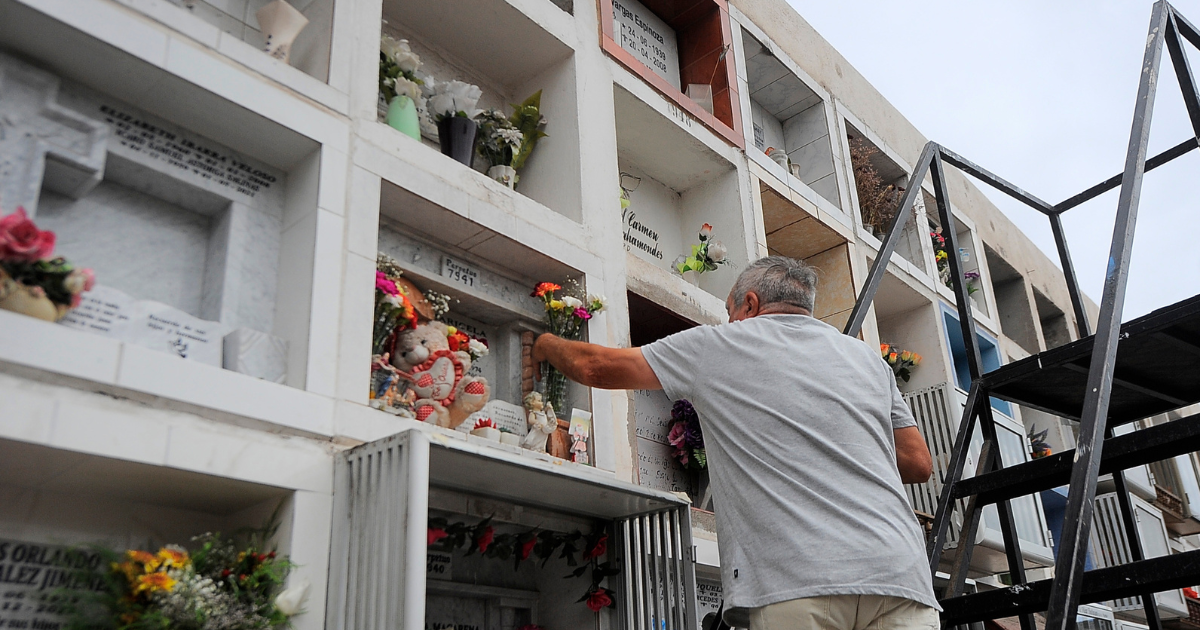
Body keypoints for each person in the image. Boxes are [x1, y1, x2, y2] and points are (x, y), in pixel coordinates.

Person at [532, 256, 939, 630]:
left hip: (798, 582)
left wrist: (547, 344)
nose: (728, 322)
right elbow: (918, 462)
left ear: (749, 303)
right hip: (901, 578)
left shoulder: (719, 346)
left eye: (729, 313)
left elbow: (596, 367)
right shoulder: (866, 360)